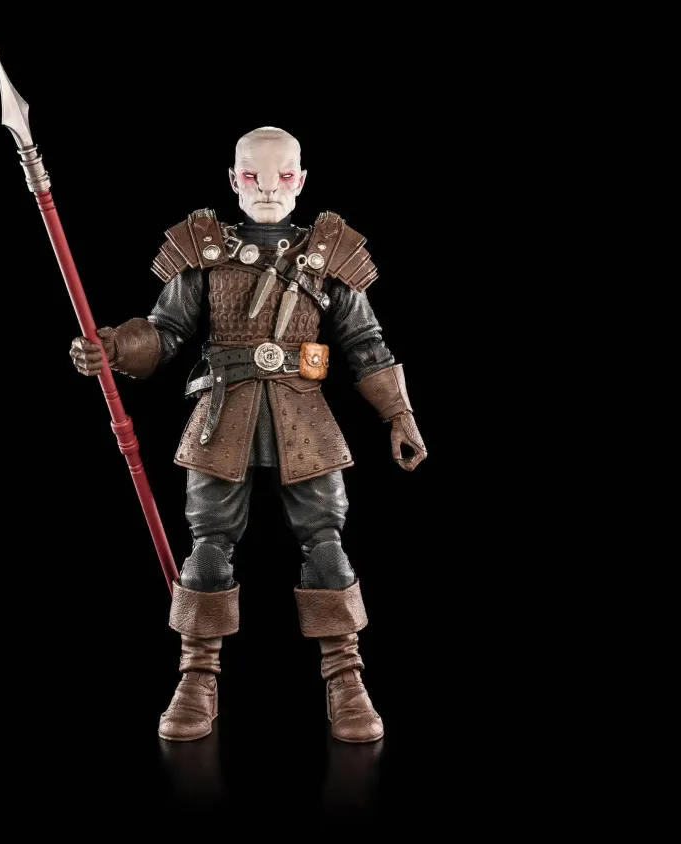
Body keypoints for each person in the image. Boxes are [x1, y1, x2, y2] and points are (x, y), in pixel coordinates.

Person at [70, 127, 426, 743]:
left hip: (304, 417)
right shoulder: (205, 251)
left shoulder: (328, 253)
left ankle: (346, 678)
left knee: (328, 545)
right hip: (222, 414)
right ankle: (195, 678)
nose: (267, 188)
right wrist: (116, 347)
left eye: (281, 175)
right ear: (233, 180)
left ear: (301, 180)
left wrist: (400, 413)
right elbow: (165, 332)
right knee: (208, 548)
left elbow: (366, 343)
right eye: (252, 176)